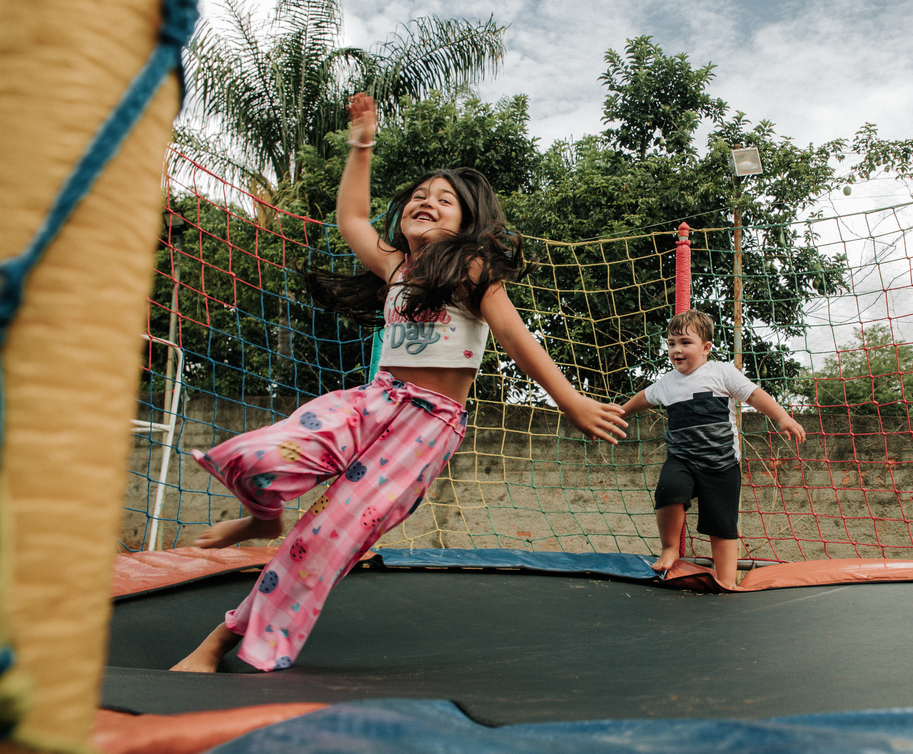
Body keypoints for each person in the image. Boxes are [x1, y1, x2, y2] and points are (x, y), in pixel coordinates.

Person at [171, 93, 628, 673]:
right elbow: (352, 219)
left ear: (467, 222)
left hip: (424, 427)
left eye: (444, 200)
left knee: (324, 540)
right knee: (260, 453)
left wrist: (570, 401)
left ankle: (221, 641)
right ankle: (264, 513)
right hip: (372, 401)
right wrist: (361, 146)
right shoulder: (395, 266)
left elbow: (515, 338)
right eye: (419, 196)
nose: (427, 203)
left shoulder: (471, 269)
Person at [621, 310, 805, 588]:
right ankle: (670, 547)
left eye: (685, 342)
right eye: (671, 343)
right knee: (668, 492)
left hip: (722, 463)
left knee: (723, 525)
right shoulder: (667, 383)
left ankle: (727, 579)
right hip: (681, 459)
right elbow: (644, 398)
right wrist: (620, 412)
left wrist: (782, 417)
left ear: (706, 348)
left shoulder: (721, 372)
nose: (676, 350)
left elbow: (754, 394)